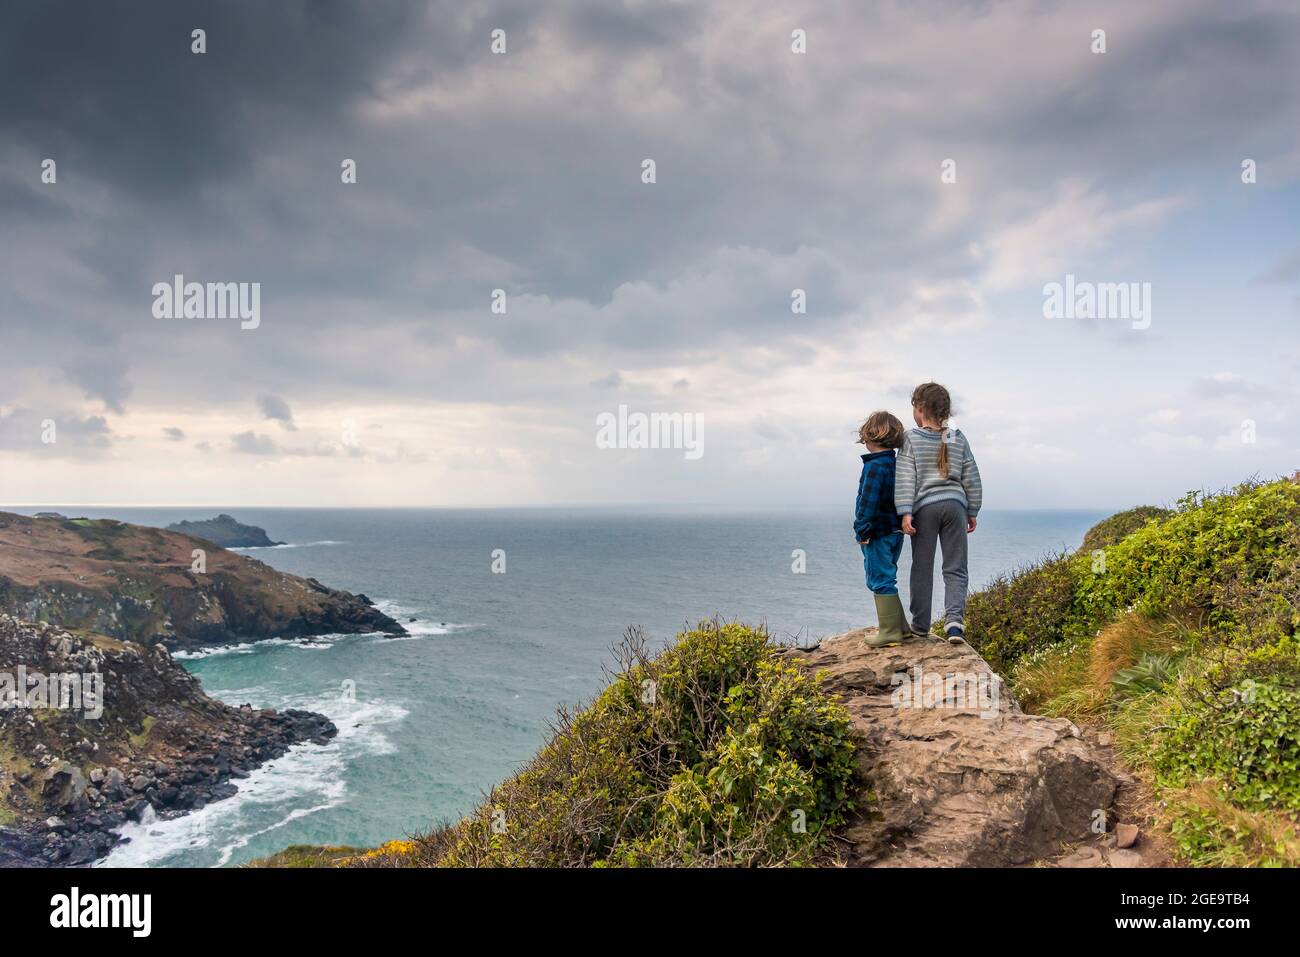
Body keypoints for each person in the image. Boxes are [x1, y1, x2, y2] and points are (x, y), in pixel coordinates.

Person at [896, 382, 982, 643]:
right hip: (956, 506)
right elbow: (972, 476)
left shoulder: (911, 438)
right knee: (956, 568)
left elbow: (905, 477)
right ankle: (954, 624)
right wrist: (973, 509)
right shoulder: (958, 437)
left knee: (921, 568)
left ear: (919, 408)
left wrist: (905, 511)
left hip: (925, 509)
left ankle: (920, 625)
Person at [853, 411, 910, 647]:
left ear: (870, 436)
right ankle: (901, 628)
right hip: (895, 532)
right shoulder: (897, 465)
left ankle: (889, 632)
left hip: (878, 532)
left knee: (879, 579)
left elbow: (869, 501)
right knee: (888, 577)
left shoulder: (875, 467)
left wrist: (861, 530)